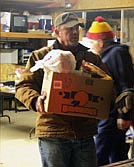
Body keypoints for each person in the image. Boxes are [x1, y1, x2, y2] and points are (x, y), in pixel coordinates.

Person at [15, 12, 109, 167]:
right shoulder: (41, 57)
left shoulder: (91, 59)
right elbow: (23, 86)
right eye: (70, 28)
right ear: (56, 31)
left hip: (84, 133)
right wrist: (34, 99)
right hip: (54, 131)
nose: (74, 32)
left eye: (77, 28)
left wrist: (110, 102)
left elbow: (106, 86)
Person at [86, 16, 134, 166]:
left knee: (100, 152)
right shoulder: (106, 55)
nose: (91, 46)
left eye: (92, 42)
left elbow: (125, 85)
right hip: (108, 113)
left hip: (114, 115)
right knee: (117, 152)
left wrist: (124, 115)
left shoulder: (116, 54)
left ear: (100, 42)